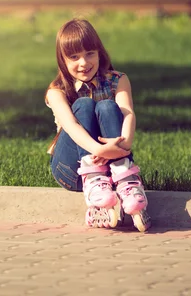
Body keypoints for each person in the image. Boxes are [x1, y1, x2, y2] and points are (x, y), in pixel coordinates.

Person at [45, 18, 151, 231]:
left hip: (113, 165)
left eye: (89, 54)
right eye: (74, 57)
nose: (84, 63)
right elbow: (71, 126)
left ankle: (127, 183)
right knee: (84, 104)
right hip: (70, 170)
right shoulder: (57, 90)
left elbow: (127, 113)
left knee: (107, 107)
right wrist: (101, 150)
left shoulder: (117, 79)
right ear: (62, 60)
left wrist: (123, 147)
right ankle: (94, 180)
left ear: (99, 53)